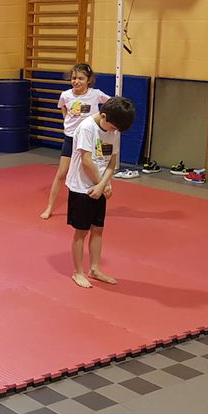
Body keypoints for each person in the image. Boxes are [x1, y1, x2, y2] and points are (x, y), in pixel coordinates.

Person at [65, 96, 136, 289]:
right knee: (81, 231)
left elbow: (112, 161)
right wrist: (100, 185)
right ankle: (78, 272)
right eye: (112, 127)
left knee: (98, 228)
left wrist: (104, 184)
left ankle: (94, 268)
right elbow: (87, 161)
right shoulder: (87, 128)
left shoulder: (113, 130)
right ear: (103, 116)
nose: (113, 131)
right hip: (82, 186)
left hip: (99, 185)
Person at [39, 63, 110, 220]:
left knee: (90, 172)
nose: (76, 81)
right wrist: (67, 120)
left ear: (89, 80)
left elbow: (111, 103)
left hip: (88, 140)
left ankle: (91, 204)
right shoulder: (66, 95)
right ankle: (50, 206)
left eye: (81, 78)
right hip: (71, 138)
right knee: (61, 173)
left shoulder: (95, 94)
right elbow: (63, 107)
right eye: (74, 78)